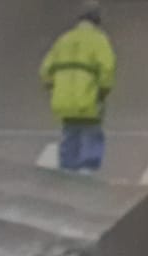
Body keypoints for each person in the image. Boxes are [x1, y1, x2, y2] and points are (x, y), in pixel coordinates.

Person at [40, 5, 116, 173]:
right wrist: (103, 90)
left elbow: (46, 69)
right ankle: (86, 173)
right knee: (91, 135)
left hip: (63, 100)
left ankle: (68, 170)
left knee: (70, 134)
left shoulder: (64, 39)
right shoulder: (99, 40)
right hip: (88, 98)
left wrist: (54, 87)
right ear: (96, 23)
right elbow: (107, 68)